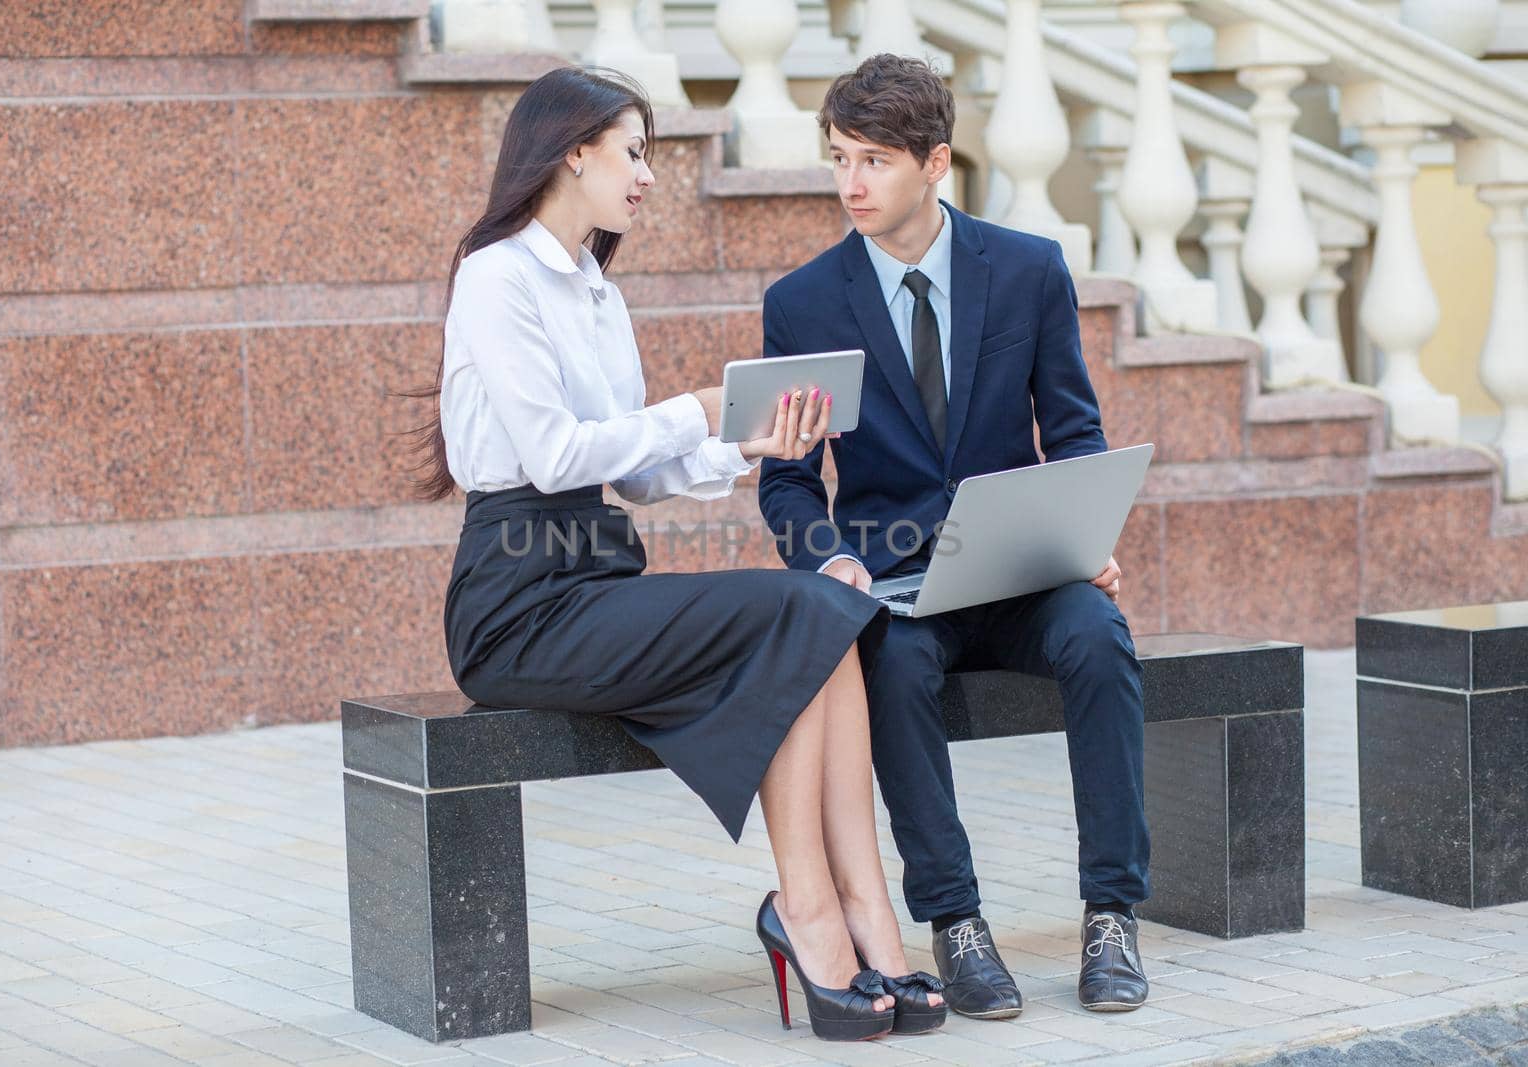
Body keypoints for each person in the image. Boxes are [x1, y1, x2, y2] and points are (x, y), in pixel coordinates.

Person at [408, 66, 945, 1042]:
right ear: (574, 150)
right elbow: (554, 455)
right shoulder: (499, 275)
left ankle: (867, 907)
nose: (647, 175)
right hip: (515, 602)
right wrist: (690, 408)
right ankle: (807, 910)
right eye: (635, 152)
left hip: (597, 577)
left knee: (824, 608)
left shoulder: (596, 292)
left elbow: (646, 477)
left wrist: (747, 441)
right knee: (797, 609)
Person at [757, 54, 1152, 1017]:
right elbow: (788, 483)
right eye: (840, 159)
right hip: (896, 586)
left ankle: (1113, 914)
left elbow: (1073, 431)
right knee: (890, 665)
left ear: (936, 163)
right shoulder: (802, 303)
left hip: (1021, 572)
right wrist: (833, 558)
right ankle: (957, 920)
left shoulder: (1026, 270)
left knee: (1100, 639)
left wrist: (1084, 531)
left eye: (875, 162)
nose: (851, 184)